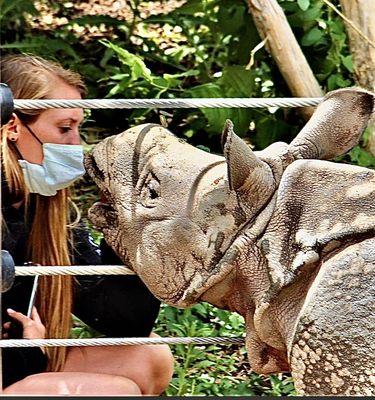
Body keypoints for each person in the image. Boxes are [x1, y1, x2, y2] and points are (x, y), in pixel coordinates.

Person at [0, 54, 174, 395]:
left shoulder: (43, 207)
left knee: (150, 357)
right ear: (13, 127)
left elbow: (123, 320)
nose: (76, 144)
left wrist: (125, 220)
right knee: (116, 392)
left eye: (78, 127)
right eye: (65, 128)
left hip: (19, 361)